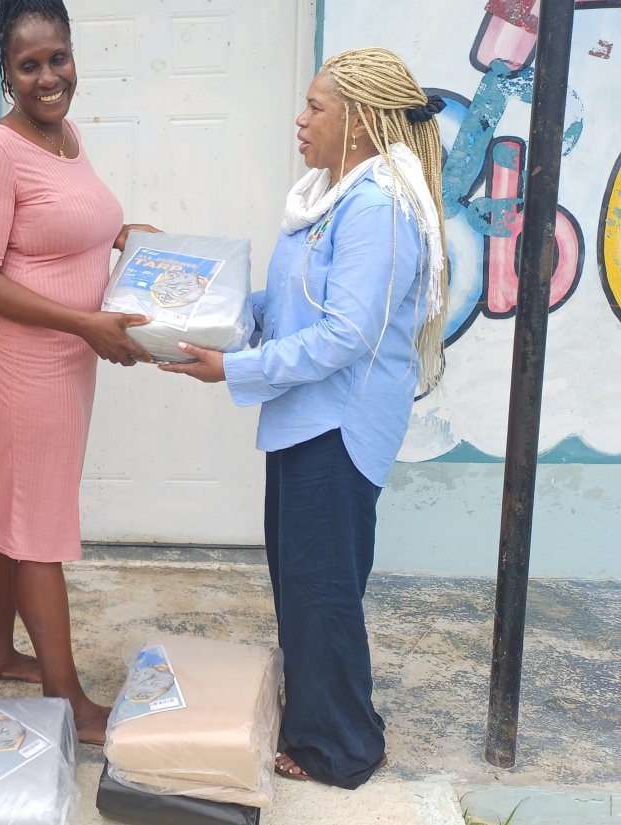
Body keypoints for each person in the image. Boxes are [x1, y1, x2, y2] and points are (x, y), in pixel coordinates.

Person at [161, 47, 448, 788]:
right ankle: (322, 714)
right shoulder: (328, 197)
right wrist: (201, 311)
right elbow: (288, 308)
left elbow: (347, 335)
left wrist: (235, 367)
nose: (300, 118)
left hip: (339, 426)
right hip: (302, 418)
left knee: (322, 592)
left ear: (358, 124)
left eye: (316, 107)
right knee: (303, 583)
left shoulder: (378, 209)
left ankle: (344, 746)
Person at [0, 0, 158, 746]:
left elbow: (67, 230)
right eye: (29, 64)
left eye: (59, 58)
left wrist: (127, 238)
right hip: (25, 363)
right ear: (4, 72)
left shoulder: (66, 137)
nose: (49, 77)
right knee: (38, 524)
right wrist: (83, 322)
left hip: (70, 360)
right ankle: (67, 697)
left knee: (20, 510)